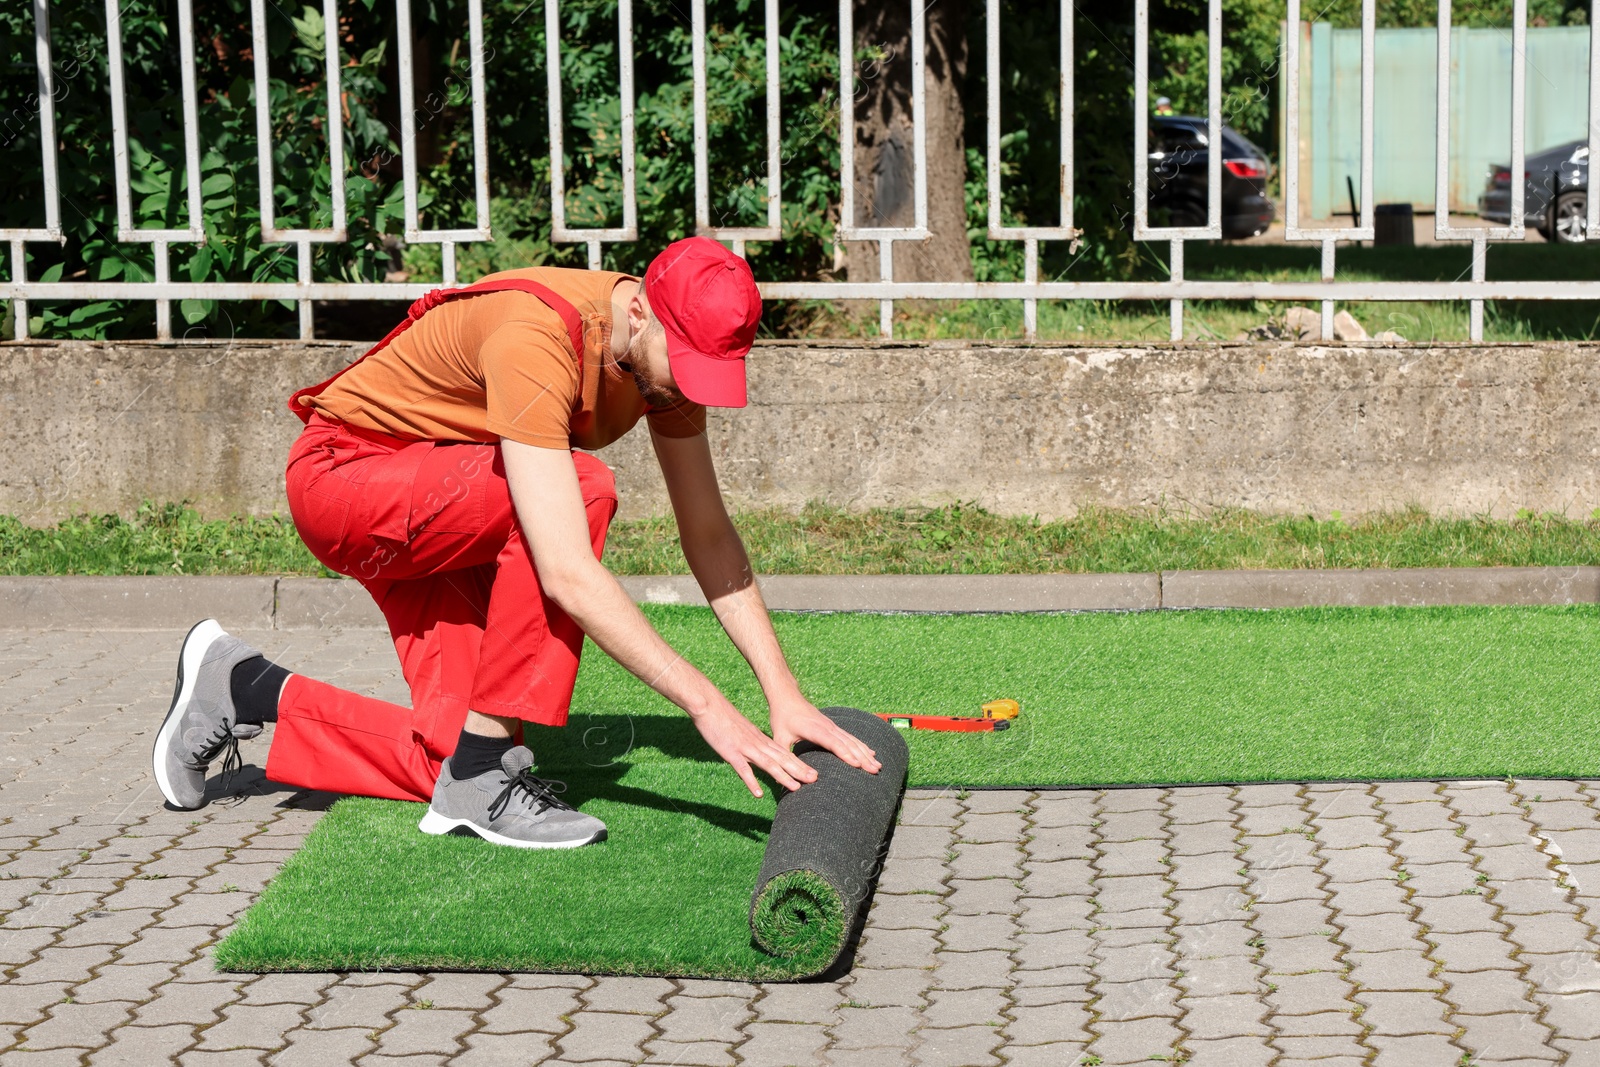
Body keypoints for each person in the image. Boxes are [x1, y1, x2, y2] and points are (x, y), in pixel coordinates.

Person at [150, 236, 881, 849]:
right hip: (348, 482)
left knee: (450, 760)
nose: (691, 391)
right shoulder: (537, 335)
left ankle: (240, 684)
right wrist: (708, 705)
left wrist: (782, 694)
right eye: (686, 369)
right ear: (638, 314)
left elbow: (711, 535)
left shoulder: (656, 365)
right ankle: (483, 762)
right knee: (584, 489)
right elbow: (564, 570)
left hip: (452, 502)